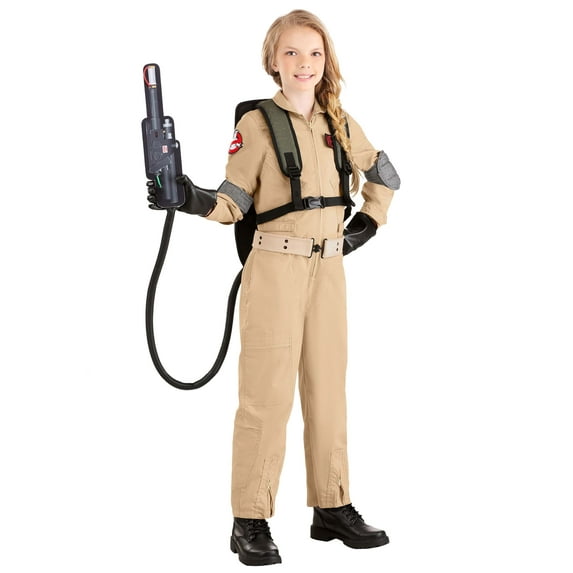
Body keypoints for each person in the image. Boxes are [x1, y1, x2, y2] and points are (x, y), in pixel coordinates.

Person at [147, 9, 400, 567]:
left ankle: (332, 505)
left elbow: (384, 173)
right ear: (272, 62)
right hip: (274, 271)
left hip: (329, 270)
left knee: (328, 391)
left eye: (314, 53)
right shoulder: (257, 125)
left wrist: (367, 224)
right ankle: (249, 519)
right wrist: (187, 198)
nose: (304, 63)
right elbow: (234, 201)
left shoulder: (341, 121)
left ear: (326, 60)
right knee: (267, 398)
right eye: (291, 53)